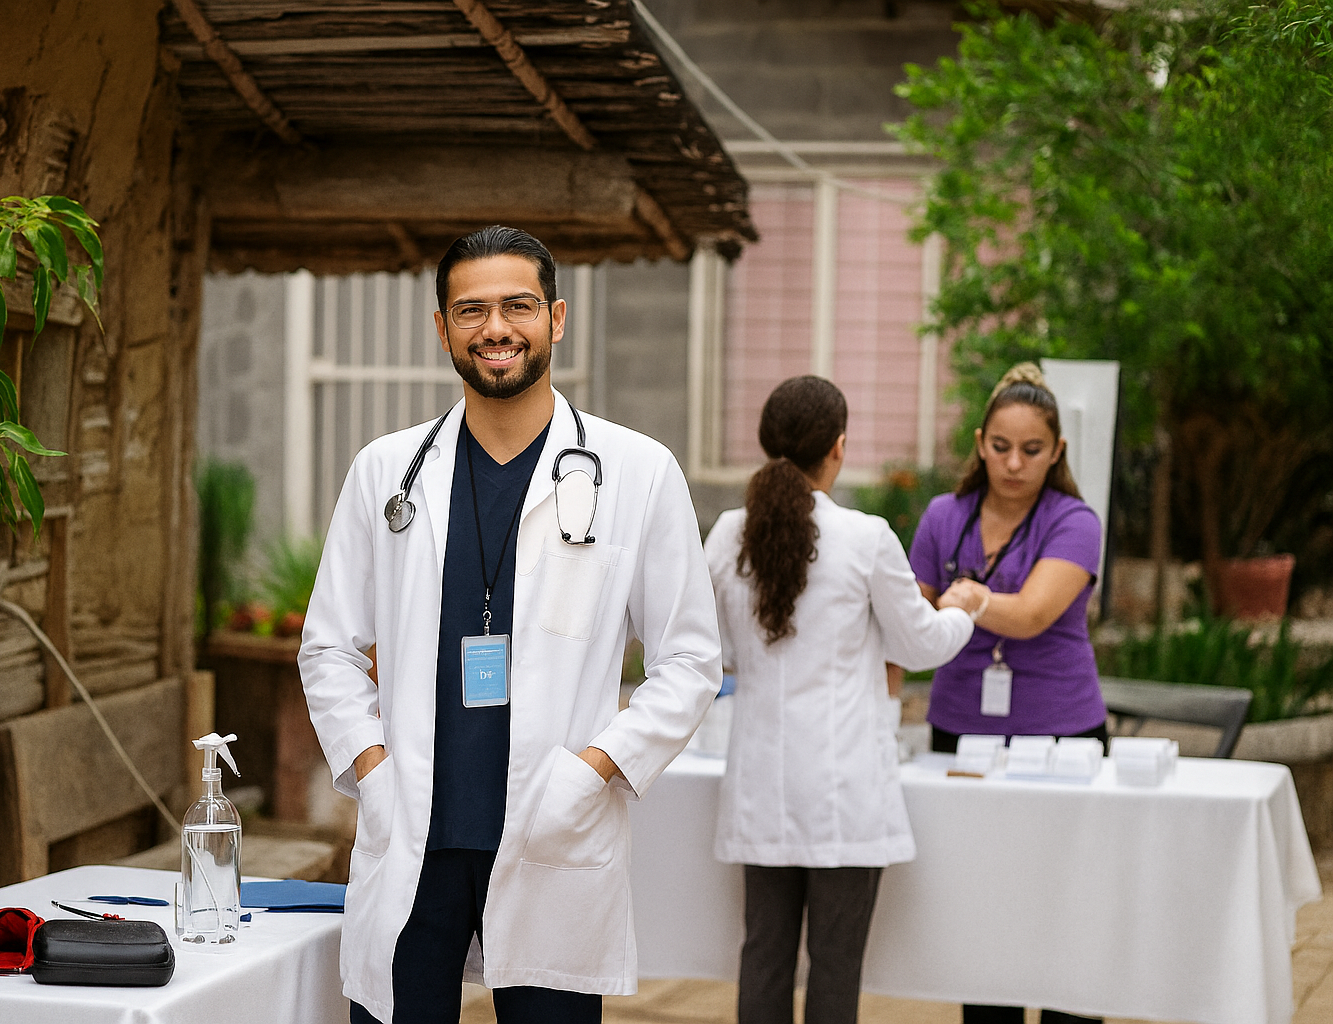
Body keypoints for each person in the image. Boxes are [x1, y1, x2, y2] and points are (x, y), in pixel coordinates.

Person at [298, 225, 722, 1024]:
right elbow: (327, 647)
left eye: (518, 306)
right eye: (472, 310)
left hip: (552, 827)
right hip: (416, 834)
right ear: (442, 328)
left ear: (556, 319)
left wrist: (594, 768)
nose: (496, 328)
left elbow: (691, 659)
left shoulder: (637, 472)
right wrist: (376, 768)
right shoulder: (386, 472)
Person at [704, 376, 986, 1024]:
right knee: (835, 967)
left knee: (764, 957)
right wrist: (963, 609)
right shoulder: (866, 538)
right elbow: (918, 646)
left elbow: (713, 648)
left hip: (761, 785)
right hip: (844, 790)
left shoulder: (727, 533)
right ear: (838, 447)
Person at [907, 362, 1107, 1024]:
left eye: (1031, 450)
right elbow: (910, 624)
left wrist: (970, 598)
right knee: (983, 907)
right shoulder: (945, 516)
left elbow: (1030, 616)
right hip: (962, 732)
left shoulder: (1075, 520)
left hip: (1062, 736)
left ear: (1058, 452)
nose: (1014, 464)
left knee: (1067, 904)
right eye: (1000, 447)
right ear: (978, 443)